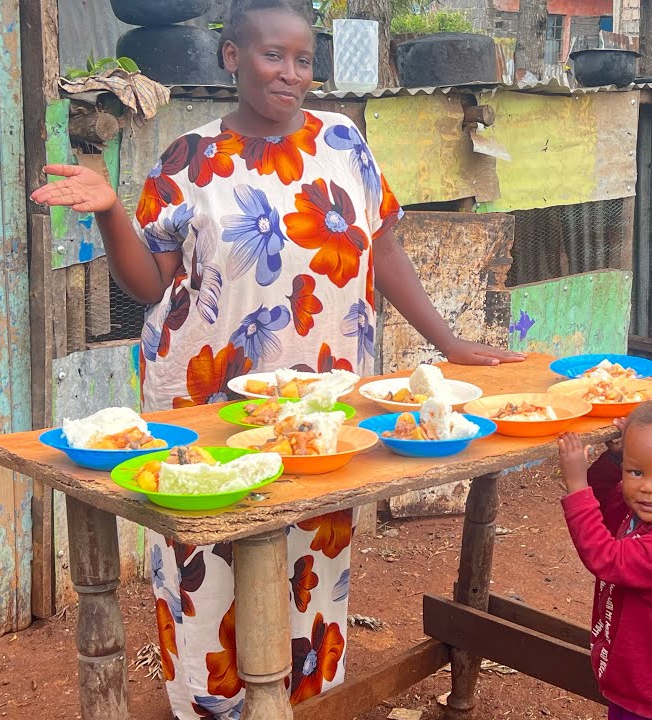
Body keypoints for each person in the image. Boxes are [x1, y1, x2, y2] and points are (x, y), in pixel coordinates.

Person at [30, 1, 521, 716]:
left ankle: (303, 701)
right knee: (210, 555)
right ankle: (211, 703)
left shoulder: (345, 141)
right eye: (271, 56)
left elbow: (382, 249)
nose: (289, 74)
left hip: (325, 399)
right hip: (205, 395)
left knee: (313, 547)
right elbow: (147, 283)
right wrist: (110, 211)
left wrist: (446, 343)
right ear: (232, 56)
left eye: (302, 60)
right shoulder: (186, 159)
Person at [556, 399, 652, 720]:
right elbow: (604, 498)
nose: (647, 488)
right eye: (636, 471)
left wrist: (575, 484)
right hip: (635, 680)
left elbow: (606, 558)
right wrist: (614, 459)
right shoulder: (639, 514)